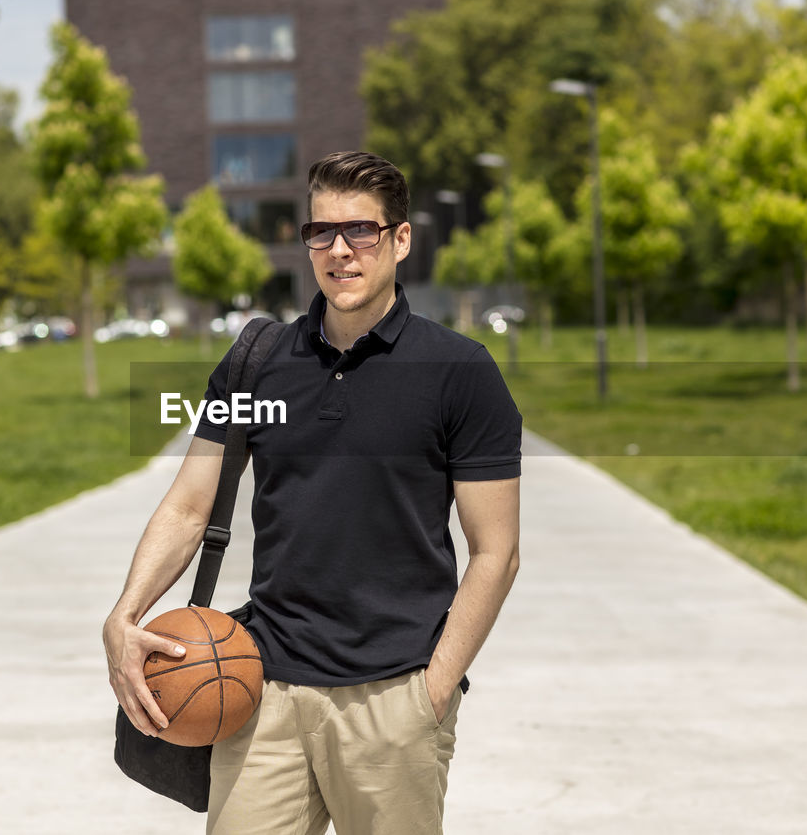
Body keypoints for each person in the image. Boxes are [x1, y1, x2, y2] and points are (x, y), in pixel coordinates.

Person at [103, 150, 522, 835]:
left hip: (393, 697)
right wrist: (125, 614)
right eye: (321, 232)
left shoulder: (458, 372)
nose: (339, 250)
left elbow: (495, 553)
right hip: (263, 690)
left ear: (401, 238)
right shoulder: (259, 365)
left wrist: (434, 689)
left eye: (362, 231)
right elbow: (188, 503)